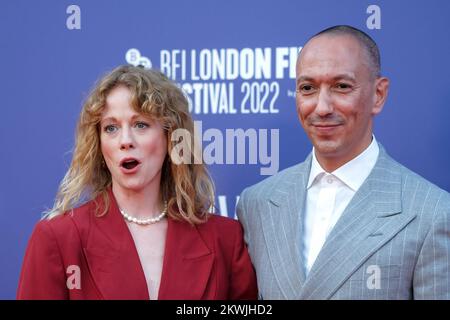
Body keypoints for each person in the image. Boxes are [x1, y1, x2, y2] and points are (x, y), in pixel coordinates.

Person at [237, 25, 450, 300]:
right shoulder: (257, 203)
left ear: (378, 94)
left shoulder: (433, 213)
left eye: (341, 86)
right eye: (308, 88)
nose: (322, 107)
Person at [17, 65, 257, 300]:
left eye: (140, 124)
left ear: (170, 137)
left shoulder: (224, 239)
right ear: (99, 145)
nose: (125, 140)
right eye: (111, 127)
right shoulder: (58, 238)